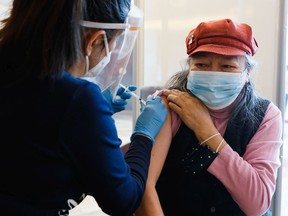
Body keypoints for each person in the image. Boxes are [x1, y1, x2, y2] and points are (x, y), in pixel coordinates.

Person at [0, 0, 168, 216]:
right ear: (94, 40)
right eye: (113, 44)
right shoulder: (78, 99)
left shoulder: (13, 74)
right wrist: (144, 135)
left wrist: (93, 120)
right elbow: (124, 200)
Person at [135, 18, 282, 216]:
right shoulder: (168, 105)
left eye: (227, 67)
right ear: (189, 68)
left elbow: (257, 203)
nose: (213, 75)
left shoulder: (265, 115)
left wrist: (206, 131)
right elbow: (145, 188)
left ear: (248, 72)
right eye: (202, 64)